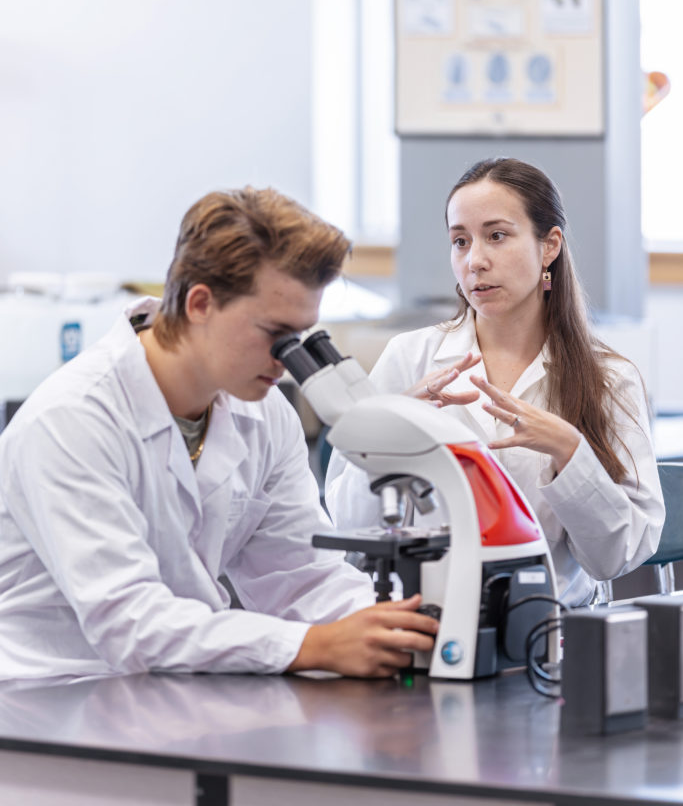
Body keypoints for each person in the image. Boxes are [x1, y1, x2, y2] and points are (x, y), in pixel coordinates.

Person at [0, 188, 438, 680]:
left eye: (302, 337)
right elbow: (131, 622)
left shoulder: (266, 413)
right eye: (276, 335)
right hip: (52, 699)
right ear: (200, 303)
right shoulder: (72, 420)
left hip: (176, 687)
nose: (287, 361)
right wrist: (314, 645)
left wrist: (416, 621)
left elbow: (298, 578)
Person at [326, 158, 665, 607]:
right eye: (460, 241)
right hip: (422, 619)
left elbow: (616, 557)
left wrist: (570, 452)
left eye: (497, 236)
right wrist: (389, 439)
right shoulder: (409, 358)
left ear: (549, 246)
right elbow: (348, 530)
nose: (475, 261)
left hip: (548, 629)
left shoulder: (609, 379)